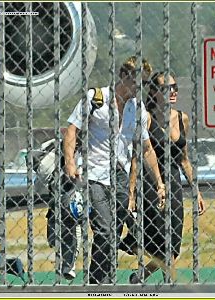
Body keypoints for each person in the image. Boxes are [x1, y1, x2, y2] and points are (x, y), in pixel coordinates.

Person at [63, 57, 166, 284]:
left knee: (114, 231)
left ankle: (103, 280)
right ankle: (98, 282)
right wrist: (70, 162)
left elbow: (146, 148)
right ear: (124, 77)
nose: (140, 88)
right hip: (93, 173)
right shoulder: (96, 99)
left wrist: (159, 182)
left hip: (119, 174)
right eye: (137, 82)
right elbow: (71, 130)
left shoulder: (136, 109)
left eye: (144, 84)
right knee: (105, 229)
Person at [122, 72, 206, 283]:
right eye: (167, 88)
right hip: (151, 183)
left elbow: (184, 159)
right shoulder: (147, 118)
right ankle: (169, 285)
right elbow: (136, 157)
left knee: (174, 245)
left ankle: (140, 276)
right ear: (154, 92)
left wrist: (196, 192)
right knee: (161, 240)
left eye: (175, 87)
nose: (173, 91)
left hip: (174, 183)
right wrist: (131, 193)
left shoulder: (182, 118)